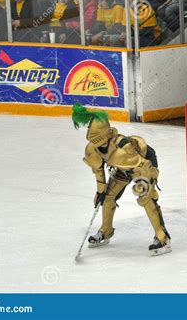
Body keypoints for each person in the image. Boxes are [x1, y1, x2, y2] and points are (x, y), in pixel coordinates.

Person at [72, 104, 172, 256]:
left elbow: (143, 166)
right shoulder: (93, 148)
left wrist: (146, 185)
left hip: (143, 162)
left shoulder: (122, 149)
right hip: (123, 167)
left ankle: (162, 237)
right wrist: (100, 192)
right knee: (107, 197)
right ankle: (106, 231)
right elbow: (99, 170)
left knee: (145, 197)